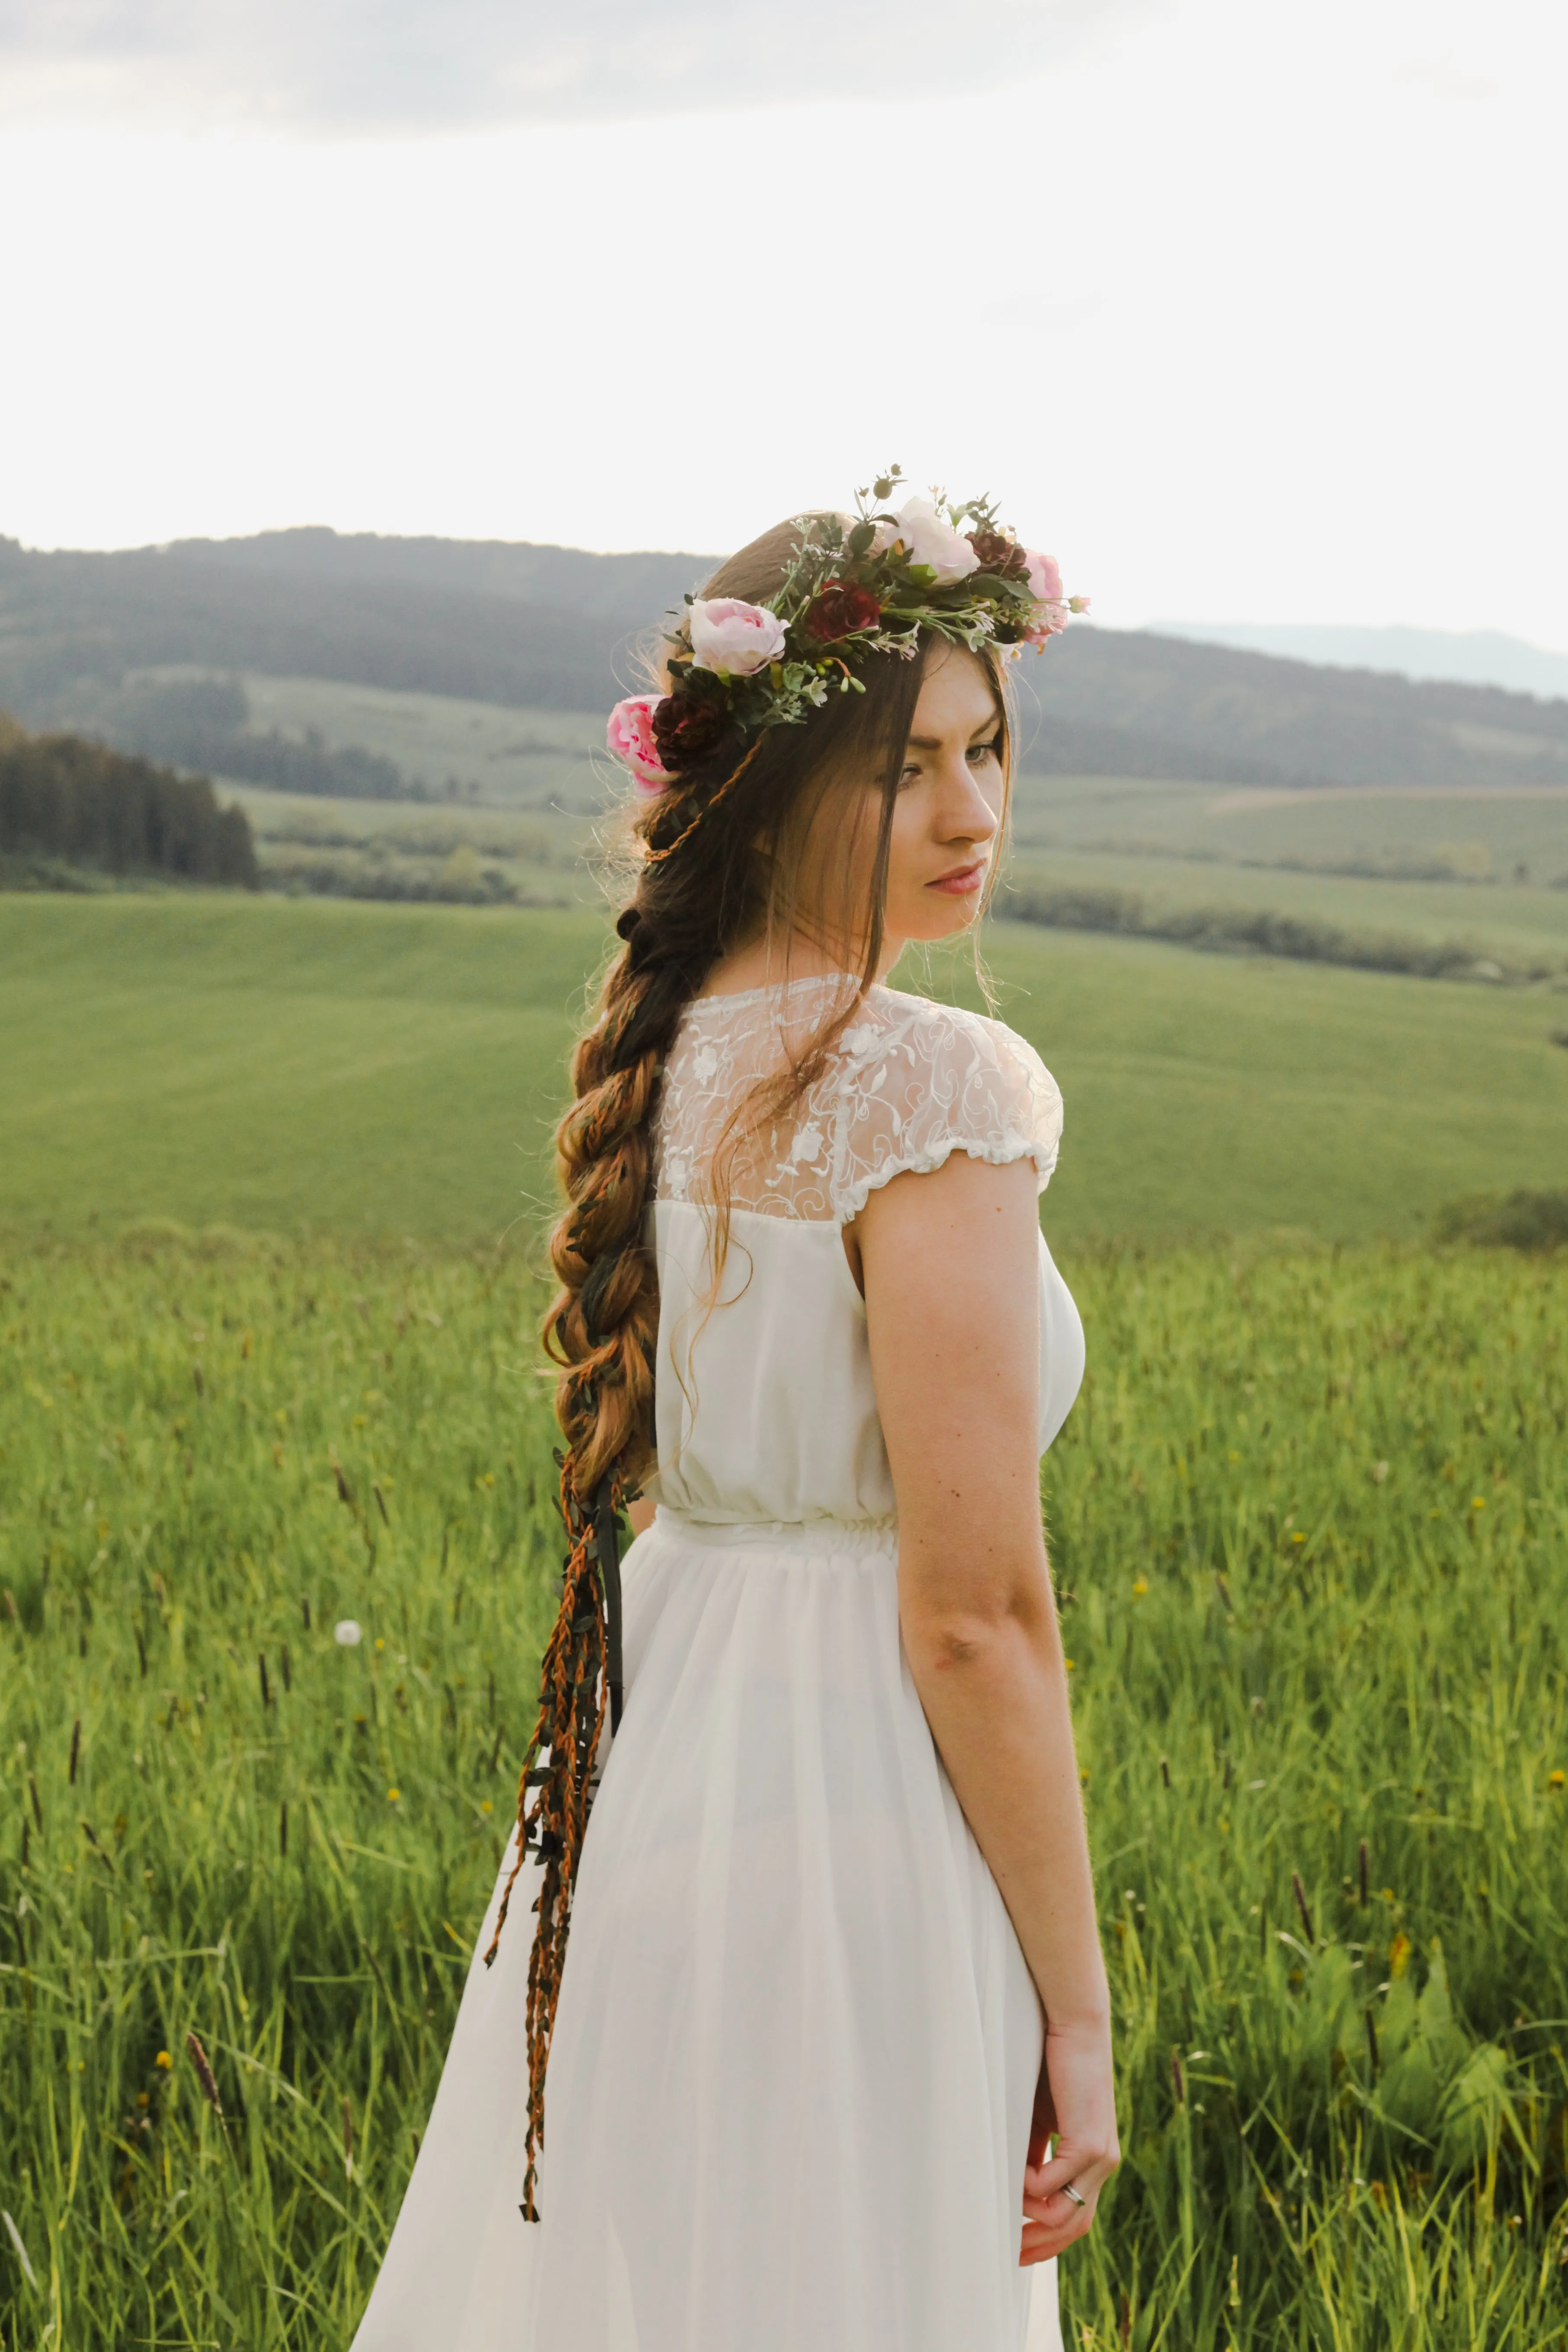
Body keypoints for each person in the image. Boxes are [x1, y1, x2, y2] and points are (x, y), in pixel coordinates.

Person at [351, 479, 1117, 2352]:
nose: (970, 812)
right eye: (904, 764)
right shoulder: (927, 1081)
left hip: (650, 1800)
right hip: (862, 1824)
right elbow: (972, 1614)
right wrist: (1079, 2014)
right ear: (771, 789)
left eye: (985, 748)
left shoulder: (668, 1054)